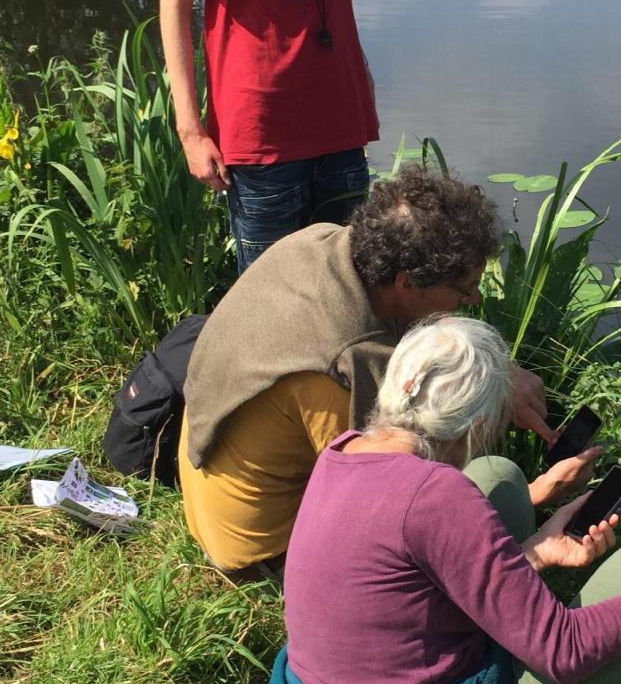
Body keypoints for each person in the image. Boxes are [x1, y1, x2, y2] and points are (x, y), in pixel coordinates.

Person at [178, 167, 593, 583]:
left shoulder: (321, 244)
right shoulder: (343, 368)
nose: (473, 299)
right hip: (266, 551)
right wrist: (533, 499)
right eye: (463, 288)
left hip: (212, 499)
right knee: (488, 487)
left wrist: (493, 369)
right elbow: (385, 509)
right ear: (406, 283)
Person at [276, 316, 621, 684]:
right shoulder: (434, 494)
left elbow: (403, 579)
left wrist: (536, 551)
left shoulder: (342, 451)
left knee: (496, 476)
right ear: (477, 425)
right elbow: (565, 652)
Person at [160, 0, 379, 272]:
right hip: (260, 134)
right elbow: (174, 0)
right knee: (269, 290)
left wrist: (362, 70)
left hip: (341, 121)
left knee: (346, 284)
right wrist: (189, 131)